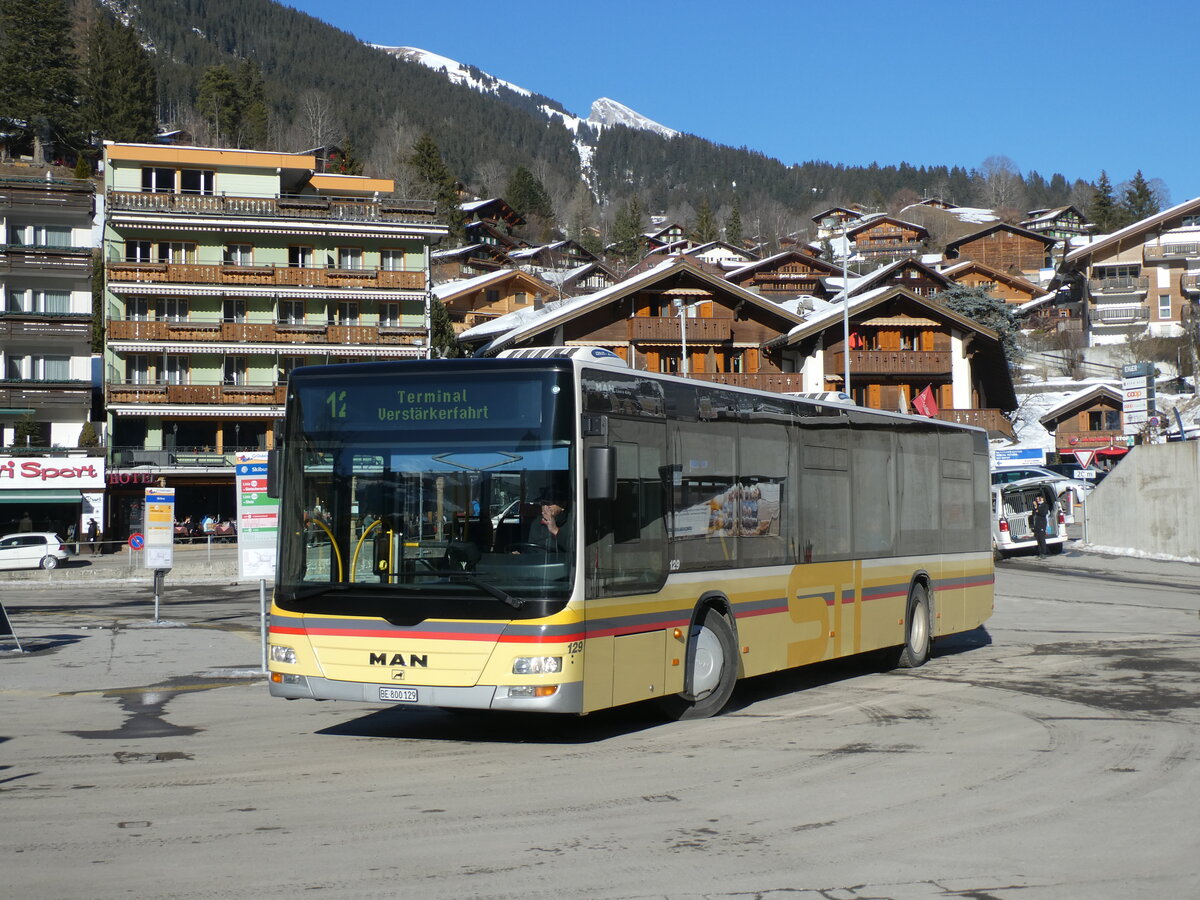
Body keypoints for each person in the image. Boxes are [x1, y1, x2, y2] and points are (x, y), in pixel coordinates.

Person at [1030, 494, 1049, 559]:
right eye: (1036, 500)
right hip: (1037, 524)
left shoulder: (1045, 505)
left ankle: (1044, 553)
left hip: (1042, 524)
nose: (1037, 501)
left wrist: (1037, 508)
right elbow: (1035, 513)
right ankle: (1040, 552)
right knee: (1038, 538)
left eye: (1038, 499)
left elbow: (1043, 513)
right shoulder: (1038, 506)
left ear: (1042, 499)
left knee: (1042, 538)